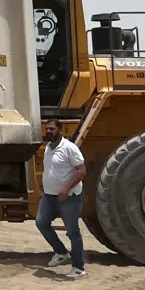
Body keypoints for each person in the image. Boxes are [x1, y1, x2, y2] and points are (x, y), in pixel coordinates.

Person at [37, 117, 87, 280]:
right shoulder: (48, 147)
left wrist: (66, 189)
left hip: (69, 197)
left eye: (52, 129)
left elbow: (81, 171)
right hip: (49, 196)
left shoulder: (69, 148)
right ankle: (61, 252)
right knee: (41, 222)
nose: (48, 131)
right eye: (47, 129)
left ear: (60, 130)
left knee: (72, 231)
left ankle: (78, 268)